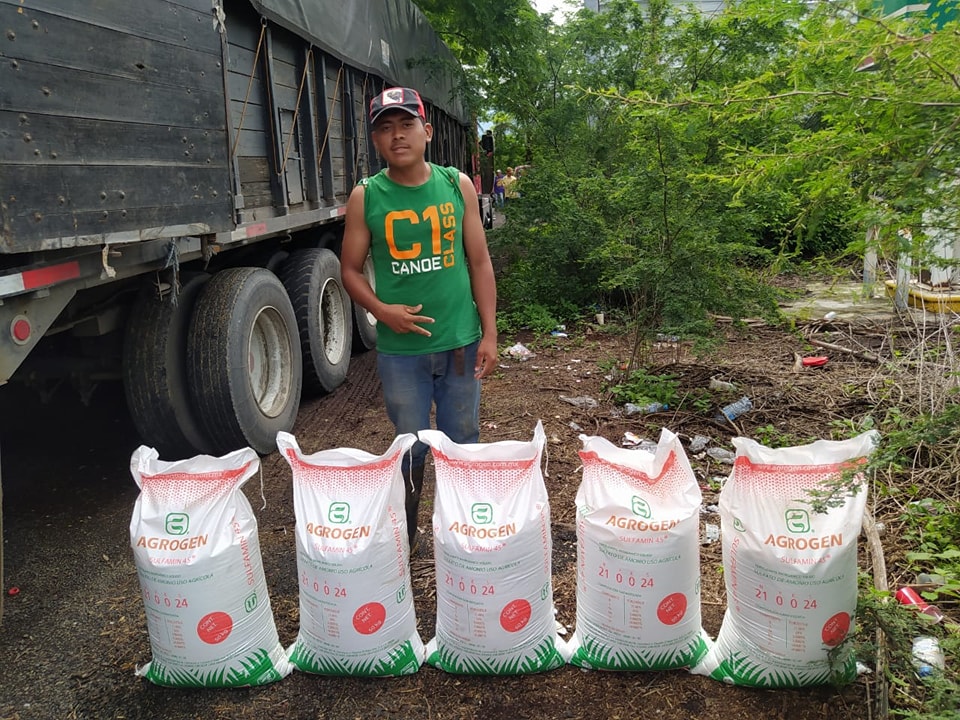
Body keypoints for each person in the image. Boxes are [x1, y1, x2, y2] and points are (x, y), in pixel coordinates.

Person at [341, 87, 498, 551]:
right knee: (409, 445)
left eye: (406, 124)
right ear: (375, 140)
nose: (397, 136)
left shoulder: (457, 185)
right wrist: (380, 310)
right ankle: (405, 543)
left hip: (459, 343)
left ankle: (465, 539)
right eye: (384, 128)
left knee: (462, 441)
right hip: (401, 354)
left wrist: (489, 332)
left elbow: (480, 261)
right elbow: (349, 270)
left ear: (426, 132)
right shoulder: (365, 196)